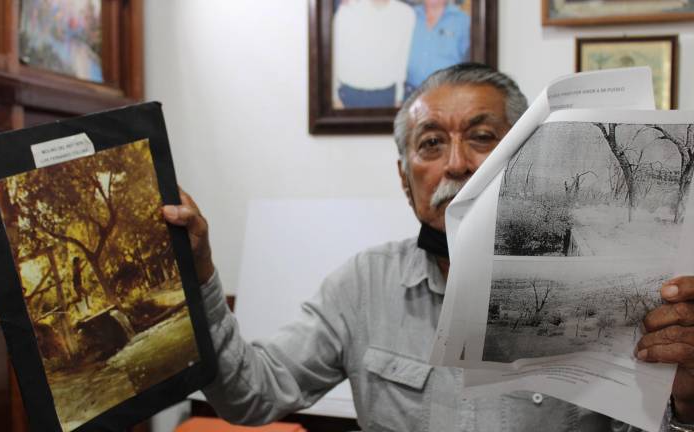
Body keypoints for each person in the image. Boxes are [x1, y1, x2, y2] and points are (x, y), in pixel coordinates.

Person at [162, 63, 694, 431]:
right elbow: (251, 395)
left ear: (528, 158)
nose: (457, 163)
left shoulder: (606, 286)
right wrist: (201, 273)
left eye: (483, 137)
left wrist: (688, 400)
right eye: (431, 143)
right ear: (404, 177)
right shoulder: (362, 285)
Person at [332, 0, 415, 108]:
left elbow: (403, 60)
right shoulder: (347, 10)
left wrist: (398, 97)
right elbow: (332, 57)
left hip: (386, 96)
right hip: (348, 95)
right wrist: (334, 97)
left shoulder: (406, 14)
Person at [405, 0, 470, 100]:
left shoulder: (463, 21)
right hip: (409, 96)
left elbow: (471, 63)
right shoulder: (409, 16)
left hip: (448, 96)